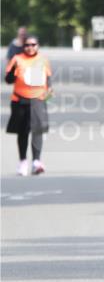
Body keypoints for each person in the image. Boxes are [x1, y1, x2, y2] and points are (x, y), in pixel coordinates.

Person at [5, 34, 52, 176]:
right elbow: (8, 79)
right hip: (20, 100)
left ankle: (36, 161)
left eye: (33, 45)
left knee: (37, 130)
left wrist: (47, 94)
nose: (30, 47)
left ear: (38, 46)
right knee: (23, 132)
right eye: (27, 45)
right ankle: (23, 161)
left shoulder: (42, 60)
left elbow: (48, 79)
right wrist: (13, 73)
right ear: (23, 46)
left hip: (37, 100)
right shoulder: (17, 59)